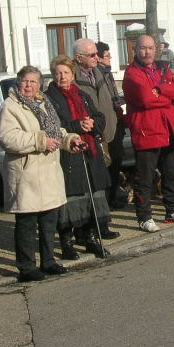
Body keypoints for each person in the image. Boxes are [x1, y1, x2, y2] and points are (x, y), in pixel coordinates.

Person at [0, 66, 82, 280]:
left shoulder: (44, 104)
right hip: (26, 173)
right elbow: (7, 138)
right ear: (18, 82)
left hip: (48, 171)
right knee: (26, 223)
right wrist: (40, 140)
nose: (28, 86)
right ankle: (26, 267)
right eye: (25, 81)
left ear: (39, 85)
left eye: (33, 82)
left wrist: (70, 140)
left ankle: (49, 261)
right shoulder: (10, 106)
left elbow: (56, 131)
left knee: (48, 221)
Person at [123, 35, 174, 232]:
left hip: (167, 129)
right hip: (147, 131)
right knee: (145, 177)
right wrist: (167, 95)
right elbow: (145, 98)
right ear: (136, 50)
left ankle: (172, 210)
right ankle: (144, 217)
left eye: (150, 48)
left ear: (156, 49)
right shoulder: (131, 74)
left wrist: (159, 91)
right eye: (143, 48)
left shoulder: (162, 69)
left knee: (171, 173)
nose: (147, 52)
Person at [45, 56, 112, 259]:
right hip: (68, 154)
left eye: (65, 72)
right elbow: (54, 126)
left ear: (73, 74)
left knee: (93, 196)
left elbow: (99, 116)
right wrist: (76, 127)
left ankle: (90, 237)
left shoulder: (82, 95)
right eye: (57, 73)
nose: (62, 77)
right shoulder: (49, 98)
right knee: (70, 200)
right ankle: (67, 243)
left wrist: (93, 124)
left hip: (90, 152)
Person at [74, 38, 122, 239]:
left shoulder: (100, 73)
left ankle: (103, 223)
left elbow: (111, 99)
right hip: (90, 137)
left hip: (110, 132)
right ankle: (87, 229)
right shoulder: (74, 78)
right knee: (93, 185)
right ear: (79, 58)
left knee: (108, 181)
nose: (97, 58)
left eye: (96, 54)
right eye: (92, 55)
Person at [95, 42, 127, 210]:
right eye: (107, 56)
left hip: (116, 123)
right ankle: (109, 199)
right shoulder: (98, 74)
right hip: (107, 127)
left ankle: (113, 196)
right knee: (109, 164)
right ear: (99, 58)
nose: (111, 58)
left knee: (116, 162)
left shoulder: (107, 73)